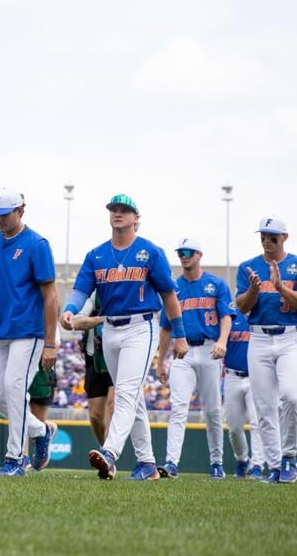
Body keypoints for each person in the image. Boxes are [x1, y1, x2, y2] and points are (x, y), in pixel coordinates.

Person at [62, 194, 188, 481]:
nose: (118, 213)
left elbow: (169, 295)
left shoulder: (149, 252)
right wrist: (70, 310)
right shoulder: (97, 254)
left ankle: (110, 452)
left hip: (140, 327)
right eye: (114, 209)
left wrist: (180, 335)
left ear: (135, 218)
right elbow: (82, 289)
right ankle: (147, 465)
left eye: (124, 210)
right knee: (134, 399)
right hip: (109, 328)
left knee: (126, 394)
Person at [0, 189, 59, 476]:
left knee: (14, 388)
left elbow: (50, 296)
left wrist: (51, 343)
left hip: (28, 331)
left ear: (20, 210)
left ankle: (14, 458)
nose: (0, 220)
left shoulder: (37, 244)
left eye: (5, 214)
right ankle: (39, 431)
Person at [234, 216, 297, 483]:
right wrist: (255, 290)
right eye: (264, 236)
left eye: (273, 237)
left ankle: (289, 456)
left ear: (285, 238)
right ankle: (276, 465)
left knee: (293, 396)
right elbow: (242, 307)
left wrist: (280, 287)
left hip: (291, 336)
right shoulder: (248, 267)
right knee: (264, 406)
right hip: (258, 337)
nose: (267, 242)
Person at [155, 238, 233, 479]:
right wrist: (160, 361)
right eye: (180, 252)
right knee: (178, 407)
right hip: (183, 351)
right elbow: (166, 328)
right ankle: (171, 462)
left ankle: (217, 462)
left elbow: (226, 317)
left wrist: (222, 341)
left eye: (188, 252)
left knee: (212, 410)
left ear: (199, 254)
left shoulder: (216, 284)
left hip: (210, 348)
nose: (183, 256)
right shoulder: (173, 287)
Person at [222, 307, 264, 479]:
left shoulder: (263, 315)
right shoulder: (231, 317)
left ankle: (257, 466)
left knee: (257, 423)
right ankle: (242, 459)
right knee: (233, 427)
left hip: (257, 377)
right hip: (232, 375)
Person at [70, 293, 114, 444]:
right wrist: (103, 319)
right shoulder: (93, 295)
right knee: (95, 415)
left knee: (113, 405)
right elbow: (76, 321)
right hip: (93, 357)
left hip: (119, 356)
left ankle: (109, 455)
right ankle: (105, 448)